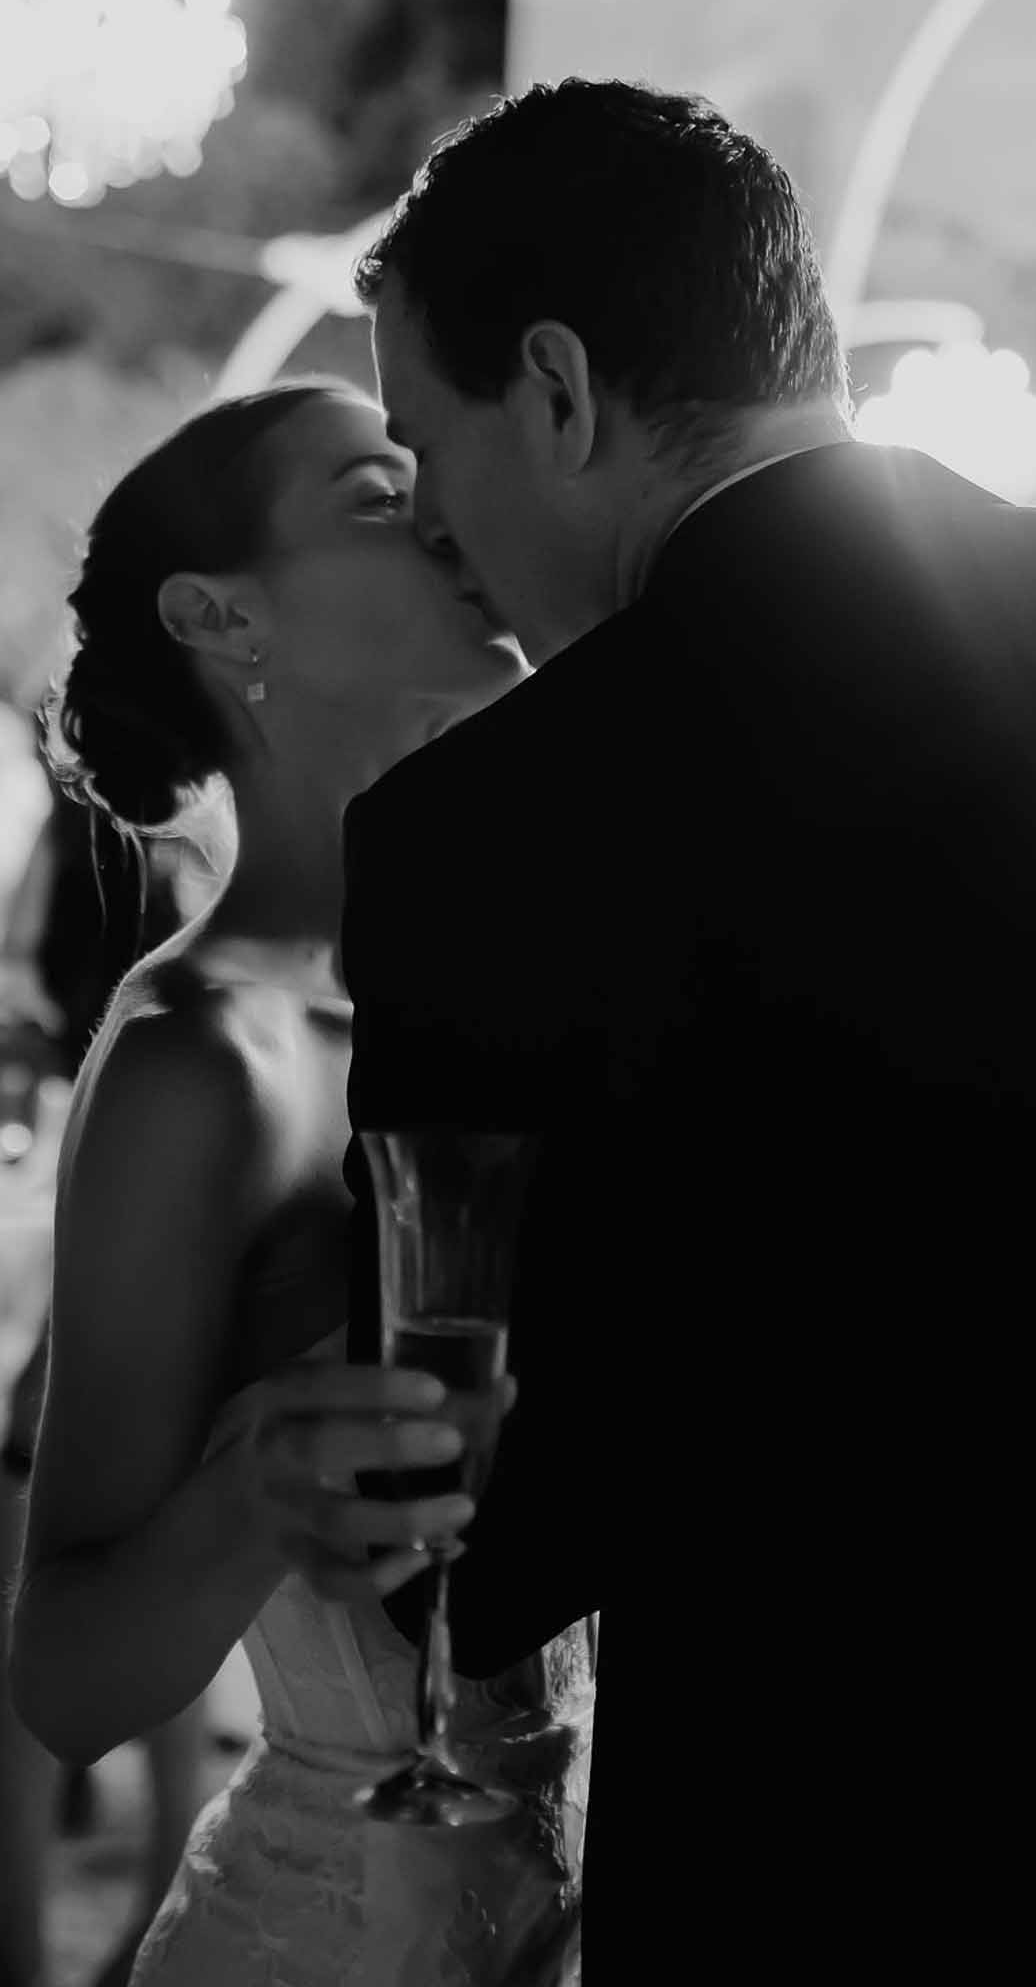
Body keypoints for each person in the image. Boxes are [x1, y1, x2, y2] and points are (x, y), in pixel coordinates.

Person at [340, 77, 1036, 1975]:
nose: (438, 535)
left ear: (561, 394)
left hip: (856, 1866)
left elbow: (490, 1509)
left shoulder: (487, 833)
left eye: (430, 453)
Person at [9, 377, 593, 1986]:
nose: (443, 519)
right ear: (221, 617)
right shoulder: (201, 1058)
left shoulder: (513, 979)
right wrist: (256, 1489)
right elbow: (65, 1679)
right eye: (370, 494)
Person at [0, 774, 205, 1987]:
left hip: (82, 1218)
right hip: (116, 1219)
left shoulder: (112, 860)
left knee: (37, 1561)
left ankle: (25, 1935)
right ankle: (146, 1869)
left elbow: (28, 1002)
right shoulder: (187, 869)